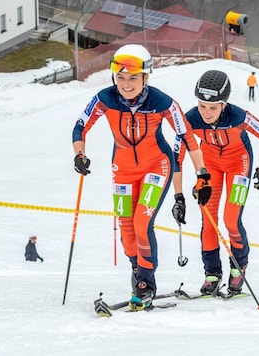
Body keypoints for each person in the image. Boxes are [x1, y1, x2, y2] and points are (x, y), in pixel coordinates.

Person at [71, 44, 210, 311]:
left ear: (146, 77)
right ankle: (139, 270)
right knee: (126, 230)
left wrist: (202, 175)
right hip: (122, 170)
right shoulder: (104, 99)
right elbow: (80, 126)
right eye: (120, 77)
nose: (126, 84)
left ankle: (146, 283)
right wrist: (80, 155)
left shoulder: (163, 103)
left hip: (157, 166)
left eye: (133, 77)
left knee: (141, 223)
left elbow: (188, 138)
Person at [172, 69, 259, 296]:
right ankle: (212, 273)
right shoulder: (190, 120)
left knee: (231, 219)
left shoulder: (238, 116)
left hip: (240, 164)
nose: (206, 113)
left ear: (224, 105)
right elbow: (176, 158)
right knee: (208, 220)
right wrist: (178, 197)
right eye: (202, 106)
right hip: (210, 170)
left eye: (213, 107)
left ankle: (239, 267)